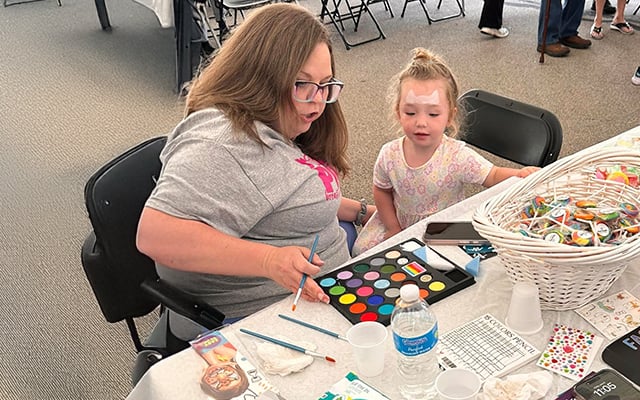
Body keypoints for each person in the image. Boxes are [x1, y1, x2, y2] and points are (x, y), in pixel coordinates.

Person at [136, 3, 375, 339]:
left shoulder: (280, 122)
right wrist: (268, 261)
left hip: (325, 274)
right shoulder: (221, 144)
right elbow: (156, 234)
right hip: (265, 317)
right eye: (303, 84)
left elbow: (286, 197)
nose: (318, 101)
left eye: (325, 85)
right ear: (262, 77)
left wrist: (363, 211)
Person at [351, 48, 539, 255]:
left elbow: (492, 175)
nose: (421, 122)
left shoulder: (456, 156)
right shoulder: (389, 154)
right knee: (364, 255)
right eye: (410, 112)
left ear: (450, 116)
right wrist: (393, 226)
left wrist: (520, 174)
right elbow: (381, 190)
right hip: (399, 224)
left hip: (444, 231)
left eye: (433, 114)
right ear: (398, 112)